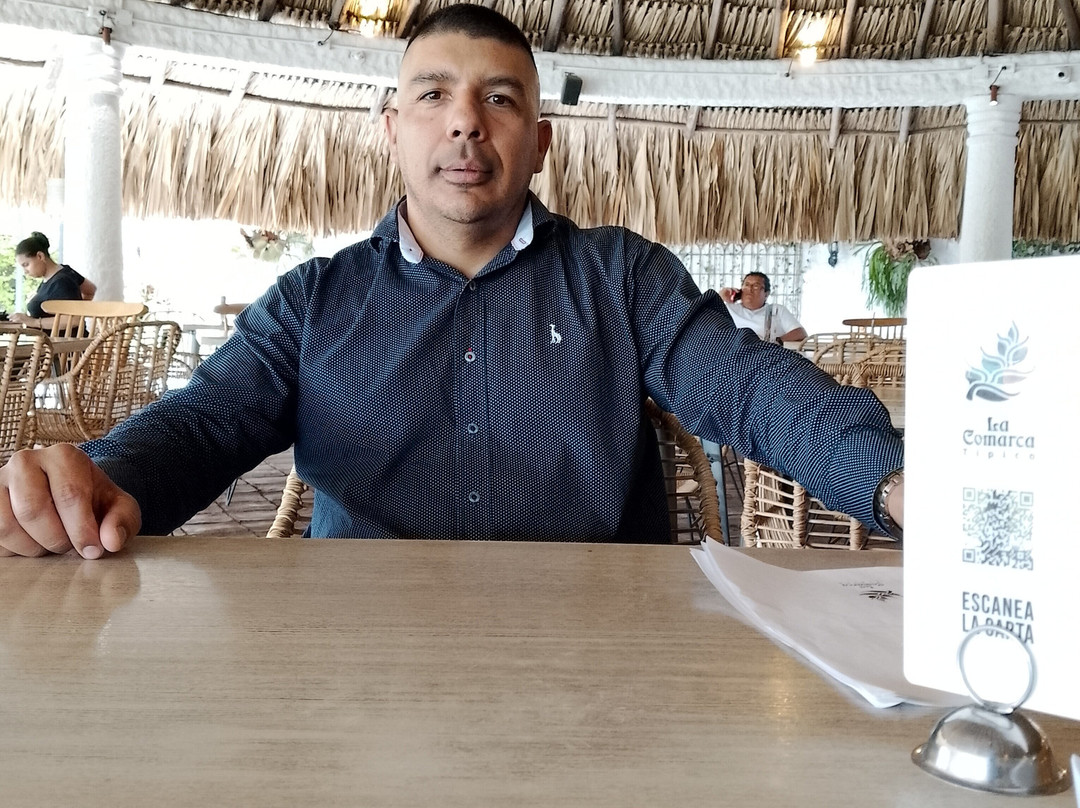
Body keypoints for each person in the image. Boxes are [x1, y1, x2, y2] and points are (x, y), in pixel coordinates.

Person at [0, 4, 903, 559]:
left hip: (595, 657)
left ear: (538, 143)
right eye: (433, 95)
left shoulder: (620, 276)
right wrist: (98, 484)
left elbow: (747, 386)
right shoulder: (314, 302)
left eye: (499, 99)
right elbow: (207, 420)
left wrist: (897, 479)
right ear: (392, 129)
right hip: (361, 654)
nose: (466, 123)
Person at [7, 231, 97, 331]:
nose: (25, 271)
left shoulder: (62, 281)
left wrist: (34, 322)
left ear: (40, 256)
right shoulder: (62, 272)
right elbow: (90, 290)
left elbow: (74, 320)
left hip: (63, 340)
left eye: (26, 265)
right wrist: (80, 308)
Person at [719, 272, 807, 344]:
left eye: (756, 286)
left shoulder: (776, 310)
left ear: (766, 294)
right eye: (746, 285)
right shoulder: (729, 309)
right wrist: (721, 298)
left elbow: (800, 333)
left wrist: (776, 342)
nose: (750, 289)